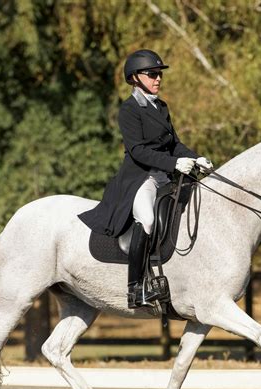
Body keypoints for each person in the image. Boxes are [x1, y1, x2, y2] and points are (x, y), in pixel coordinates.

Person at [78, 49, 213, 308]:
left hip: (165, 176)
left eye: (159, 74)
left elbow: (174, 144)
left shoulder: (161, 107)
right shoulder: (129, 110)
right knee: (148, 219)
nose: (158, 78)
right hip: (141, 178)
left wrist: (196, 158)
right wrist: (175, 163)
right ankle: (136, 288)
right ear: (135, 78)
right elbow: (138, 151)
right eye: (152, 74)